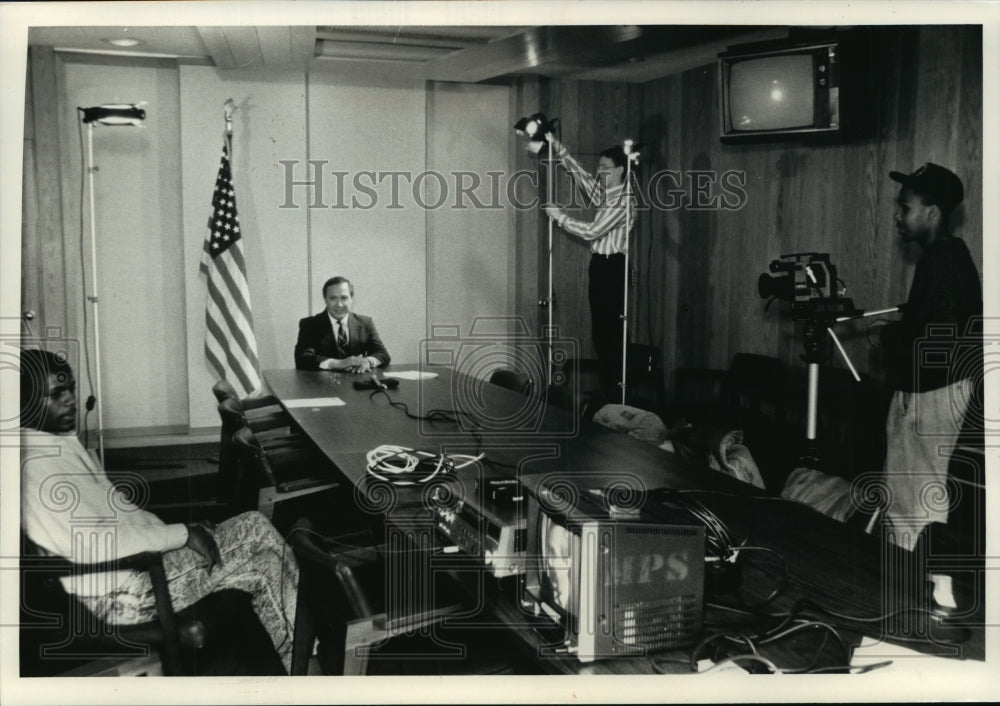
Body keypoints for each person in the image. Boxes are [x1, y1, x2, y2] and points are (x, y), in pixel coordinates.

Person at [19, 349, 301, 674]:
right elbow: (93, 544)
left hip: (138, 566)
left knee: (263, 558)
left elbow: (120, 515)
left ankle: (300, 657)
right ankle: (308, 655)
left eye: (70, 389)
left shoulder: (56, 442)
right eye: (55, 394)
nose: (70, 400)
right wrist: (181, 534)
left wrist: (184, 530)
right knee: (257, 532)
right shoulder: (34, 469)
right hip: (123, 590)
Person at [879, 162, 982, 551]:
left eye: (906, 208)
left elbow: (938, 342)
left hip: (933, 394)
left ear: (932, 213)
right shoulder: (946, 256)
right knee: (910, 498)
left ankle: (918, 588)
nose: (898, 216)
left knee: (916, 503)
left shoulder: (944, 259)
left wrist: (893, 337)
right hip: (932, 391)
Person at [542, 134, 635, 400]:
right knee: (601, 334)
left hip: (613, 267)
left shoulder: (623, 200)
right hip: (600, 266)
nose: (599, 172)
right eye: (599, 168)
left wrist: (560, 217)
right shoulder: (607, 194)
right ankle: (609, 393)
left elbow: (594, 230)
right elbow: (584, 179)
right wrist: (562, 153)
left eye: (604, 169)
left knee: (610, 334)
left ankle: (615, 395)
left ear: (618, 171)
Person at [294, 276, 391, 372]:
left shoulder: (366, 323)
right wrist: (337, 363)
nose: (339, 304)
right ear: (325, 300)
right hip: (323, 385)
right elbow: (302, 358)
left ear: (351, 299)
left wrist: (367, 361)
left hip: (358, 384)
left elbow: (383, 354)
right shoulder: (309, 324)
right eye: (333, 298)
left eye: (344, 298)